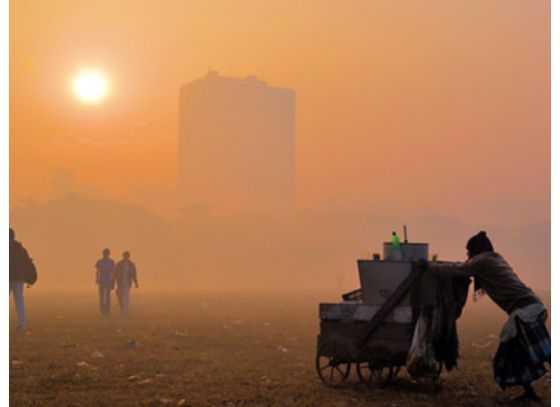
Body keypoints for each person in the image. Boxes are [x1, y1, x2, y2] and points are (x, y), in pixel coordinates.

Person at [418, 231, 550, 402]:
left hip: (525, 311)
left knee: (541, 351)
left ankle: (529, 392)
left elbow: (458, 269)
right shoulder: (494, 258)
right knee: (518, 353)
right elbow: (463, 267)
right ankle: (529, 393)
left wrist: (427, 266)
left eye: (469, 250)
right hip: (531, 307)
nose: (468, 254)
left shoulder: (483, 261)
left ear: (477, 250)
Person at [9, 228, 32, 330]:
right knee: (19, 301)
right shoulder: (20, 248)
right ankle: (22, 324)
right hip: (19, 279)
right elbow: (26, 262)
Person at [95, 248, 115, 315]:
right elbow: (98, 271)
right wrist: (97, 278)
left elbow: (113, 272)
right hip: (103, 280)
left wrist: (113, 281)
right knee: (103, 296)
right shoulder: (101, 261)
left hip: (107, 280)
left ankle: (106, 310)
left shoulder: (111, 262)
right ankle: (103, 310)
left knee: (107, 296)